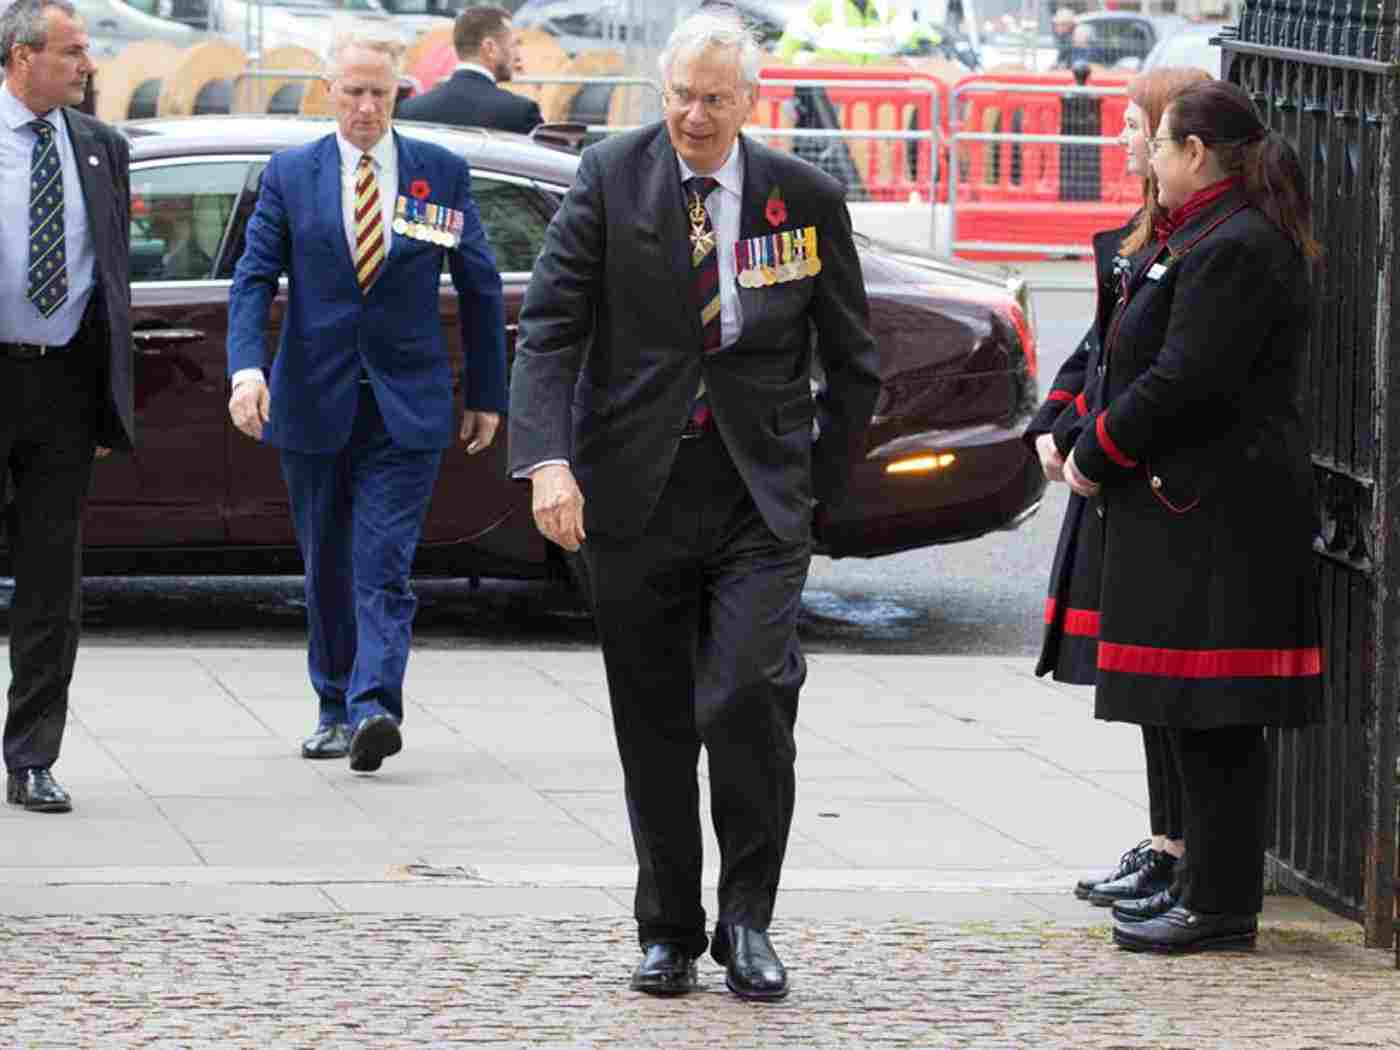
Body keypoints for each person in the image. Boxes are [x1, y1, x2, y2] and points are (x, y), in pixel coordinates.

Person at [509, 9, 879, 1002]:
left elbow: (852, 363)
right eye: (679, 95)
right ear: (659, 92)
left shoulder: (801, 198)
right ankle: (667, 925)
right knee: (655, 717)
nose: (693, 116)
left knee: (745, 697)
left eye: (714, 99)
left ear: (750, 101)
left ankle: (747, 917)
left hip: (757, 500)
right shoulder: (609, 177)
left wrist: (819, 494)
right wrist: (547, 461)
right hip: (633, 492)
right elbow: (548, 329)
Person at [1060, 78, 1324, 953]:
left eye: (1160, 144)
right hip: (1188, 512)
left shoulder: (1236, 245)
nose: (1152, 160)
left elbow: (1184, 380)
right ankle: (1198, 886)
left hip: (1224, 518)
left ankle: (1219, 904)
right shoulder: (1202, 234)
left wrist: (1097, 451)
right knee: (1184, 710)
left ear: (1195, 154)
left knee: (1217, 716)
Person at [226, 32, 507, 773]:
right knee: (326, 561)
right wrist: (246, 371)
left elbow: (479, 284)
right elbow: (253, 279)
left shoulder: (437, 173)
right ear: (328, 93)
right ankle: (332, 704)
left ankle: (375, 706)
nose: (366, 106)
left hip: (406, 402)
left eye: (379, 93)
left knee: (382, 560)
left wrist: (485, 392)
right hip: (312, 398)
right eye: (352, 92)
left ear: (398, 94)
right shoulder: (291, 175)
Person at [1027, 67, 1210, 925]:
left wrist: (1091, 449)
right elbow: (1096, 351)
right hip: (1113, 475)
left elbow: (1162, 374)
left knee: (1161, 681)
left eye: (1138, 125)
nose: (1125, 140)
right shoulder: (1137, 236)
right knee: (1139, 681)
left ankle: (1184, 851)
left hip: (1151, 482)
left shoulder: (1189, 242)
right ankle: (1167, 840)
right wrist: (1052, 422)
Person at [0, 0, 132, 814]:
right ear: (22, 56)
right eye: (74, 52)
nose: (87, 66)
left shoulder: (100, 147)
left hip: (63, 389)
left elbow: (111, 275)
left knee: (54, 580)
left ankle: (32, 755)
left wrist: (109, 397)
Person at [396, 5, 542, 134]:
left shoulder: (408, 111)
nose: (518, 56)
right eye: (513, 45)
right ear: (490, 48)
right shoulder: (520, 113)